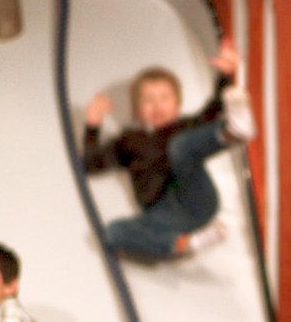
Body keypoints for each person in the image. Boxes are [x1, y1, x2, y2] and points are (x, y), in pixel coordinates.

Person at [83, 38, 255, 260]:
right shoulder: (128, 141)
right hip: (164, 213)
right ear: (137, 110)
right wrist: (92, 126)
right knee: (112, 233)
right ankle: (185, 243)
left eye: (164, 98)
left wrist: (225, 74)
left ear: (177, 104)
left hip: (195, 197)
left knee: (180, 145)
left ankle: (233, 132)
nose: (157, 105)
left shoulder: (184, 127)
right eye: (148, 100)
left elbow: (214, 109)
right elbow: (90, 164)